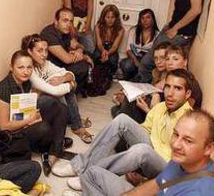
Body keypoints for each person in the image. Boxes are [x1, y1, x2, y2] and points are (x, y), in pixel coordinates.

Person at [52, 69, 194, 193]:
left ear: (187, 94)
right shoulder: (161, 106)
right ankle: (79, 166)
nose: (170, 93)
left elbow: (183, 163)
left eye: (177, 89)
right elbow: (144, 128)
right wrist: (131, 152)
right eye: (168, 87)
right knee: (122, 120)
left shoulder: (190, 120)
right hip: (151, 147)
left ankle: (90, 176)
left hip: (167, 165)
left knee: (142, 150)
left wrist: (140, 157)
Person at [84, 110, 214, 196]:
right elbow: (157, 184)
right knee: (91, 174)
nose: (176, 145)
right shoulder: (183, 161)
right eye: (176, 134)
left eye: (188, 141)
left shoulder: (202, 192)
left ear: (208, 148)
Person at [0, 50, 69, 176]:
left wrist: (34, 106)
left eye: (29, 67)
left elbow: (27, 104)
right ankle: (53, 143)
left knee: (61, 108)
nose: (26, 71)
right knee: (44, 128)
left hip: (26, 121)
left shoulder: (25, 82)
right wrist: (29, 120)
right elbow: (4, 127)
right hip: (13, 135)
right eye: (20, 67)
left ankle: (54, 153)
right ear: (11, 67)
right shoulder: (2, 91)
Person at [134, 0, 205, 83]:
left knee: (146, 64)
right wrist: (170, 25)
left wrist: (175, 28)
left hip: (180, 33)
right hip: (172, 28)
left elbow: (196, 9)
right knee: (152, 61)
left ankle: (146, 96)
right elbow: (182, 9)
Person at [22, 34, 93, 144]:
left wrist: (64, 78)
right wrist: (71, 84)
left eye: (46, 50)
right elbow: (54, 91)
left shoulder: (44, 63)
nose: (44, 55)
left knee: (63, 87)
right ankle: (75, 123)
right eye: (39, 51)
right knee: (63, 90)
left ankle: (74, 121)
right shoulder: (29, 69)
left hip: (45, 98)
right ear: (30, 52)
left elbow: (68, 73)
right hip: (32, 106)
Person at [112, 42, 170, 124]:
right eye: (156, 58)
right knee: (115, 109)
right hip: (145, 108)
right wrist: (124, 93)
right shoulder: (155, 73)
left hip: (153, 116)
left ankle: (124, 126)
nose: (158, 61)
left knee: (124, 106)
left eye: (162, 58)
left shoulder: (171, 79)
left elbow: (158, 109)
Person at [41, 8, 94, 96]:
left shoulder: (64, 31)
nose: (68, 24)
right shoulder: (49, 34)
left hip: (62, 63)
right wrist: (85, 57)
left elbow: (79, 45)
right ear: (56, 21)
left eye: (70, 21)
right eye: (65, 20)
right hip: (54, 68)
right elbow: (67, 59)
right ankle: (70, 92)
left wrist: (79, 50)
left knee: (90, 54)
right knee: (83, 66)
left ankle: (74, 88)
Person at [120, 9, 159, 80]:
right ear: (139, 20)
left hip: (148, 59)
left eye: (148, 17)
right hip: (134, 57)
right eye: (142, 18)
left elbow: (156, 53)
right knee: (126, 64)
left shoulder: (157, 34)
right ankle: (129, 80)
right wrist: (136, 62)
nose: (145, 20)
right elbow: (128, 50)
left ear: (153, 19)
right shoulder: (133, 30)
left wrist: (144, 63)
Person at [93, 4, 125, 80]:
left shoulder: (121, 30)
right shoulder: (98, 26)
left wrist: (107, 53)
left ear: (116, 18)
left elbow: (115, 46)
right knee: (96, 56)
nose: (110, 20)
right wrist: (103, 51)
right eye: (108, 17)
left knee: (112, 60)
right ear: (103, 17)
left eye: (112, 17)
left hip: (112, 50)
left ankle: (110, 74)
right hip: (101, 48)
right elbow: (99, 43)